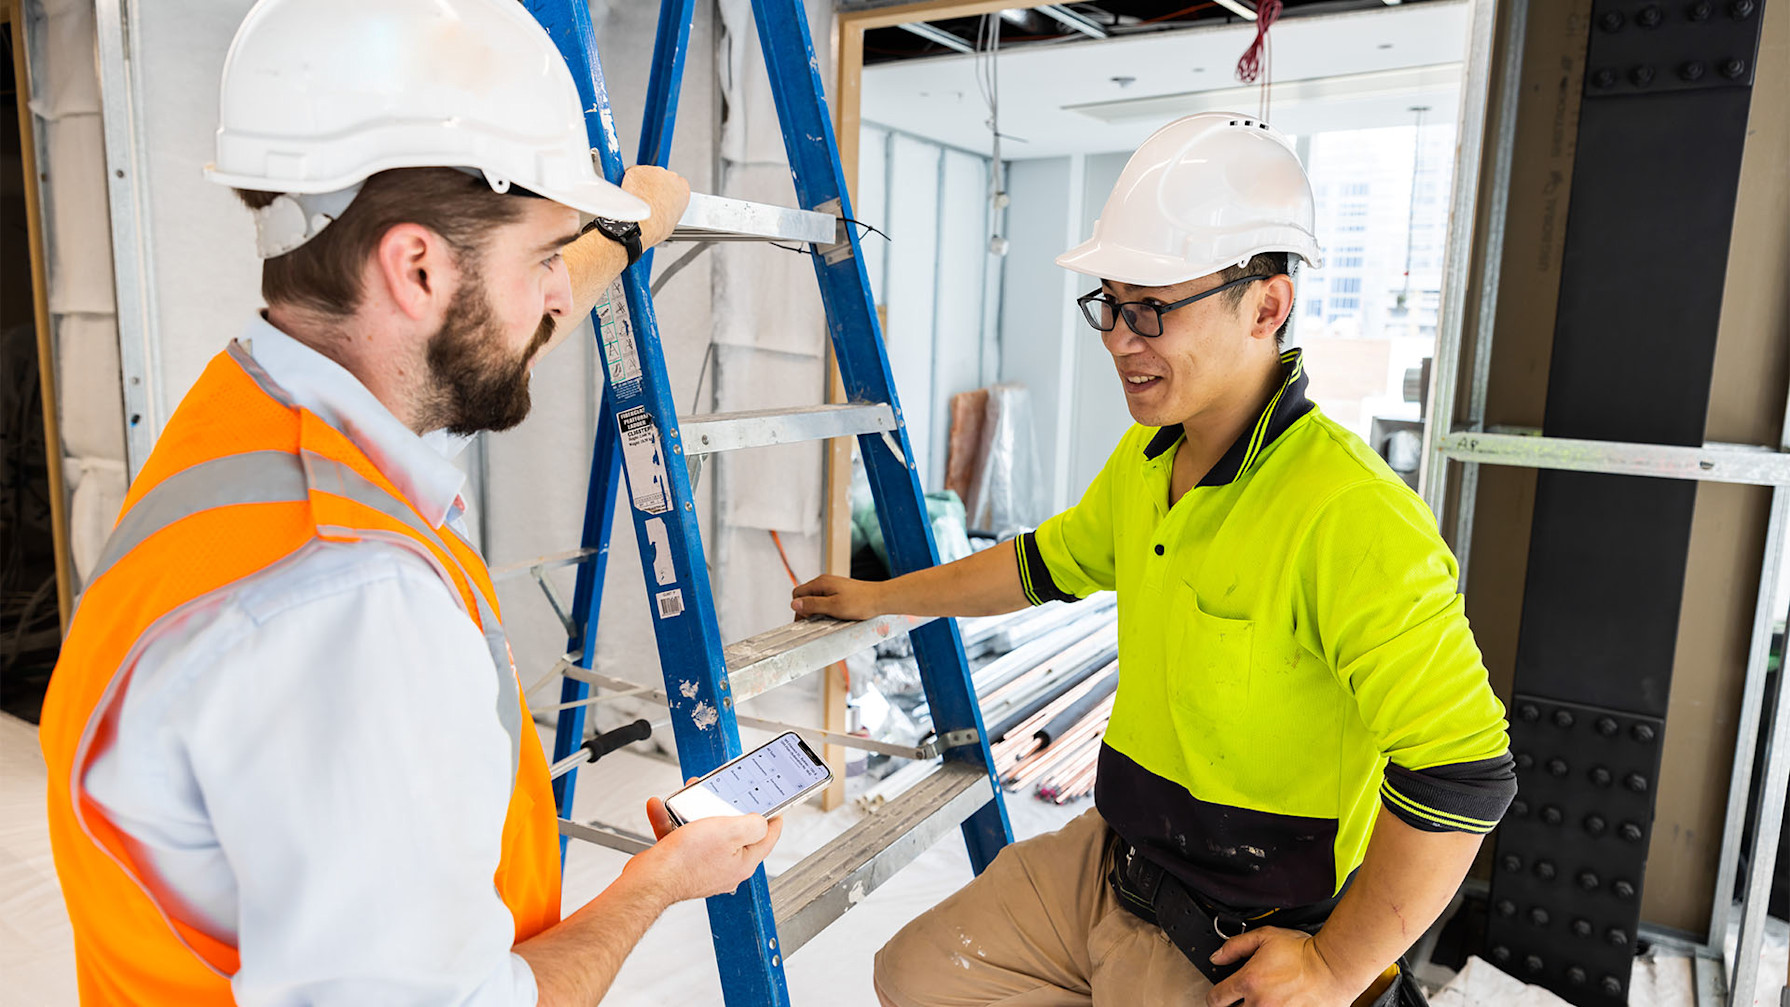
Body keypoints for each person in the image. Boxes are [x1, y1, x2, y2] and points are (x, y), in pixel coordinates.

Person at [37, 1, 780, 1003]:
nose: (564, 295)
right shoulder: (347, 606)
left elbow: (505, 329)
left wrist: (627, 226)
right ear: (418, 268)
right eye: (544, 258)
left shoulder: (261, 412)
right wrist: (652, 883)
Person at [792, 113, 1516, 1007]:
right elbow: (1034, 564)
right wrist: (879, 596)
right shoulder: (1149, 464)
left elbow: (1464, 769)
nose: (1118, 339)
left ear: (1267, 306)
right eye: (1110, 304)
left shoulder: (1351, 515)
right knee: (915, 971)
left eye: (1152, 310)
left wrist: (1334, 967)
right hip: (1116, 860)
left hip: (1244, 933)